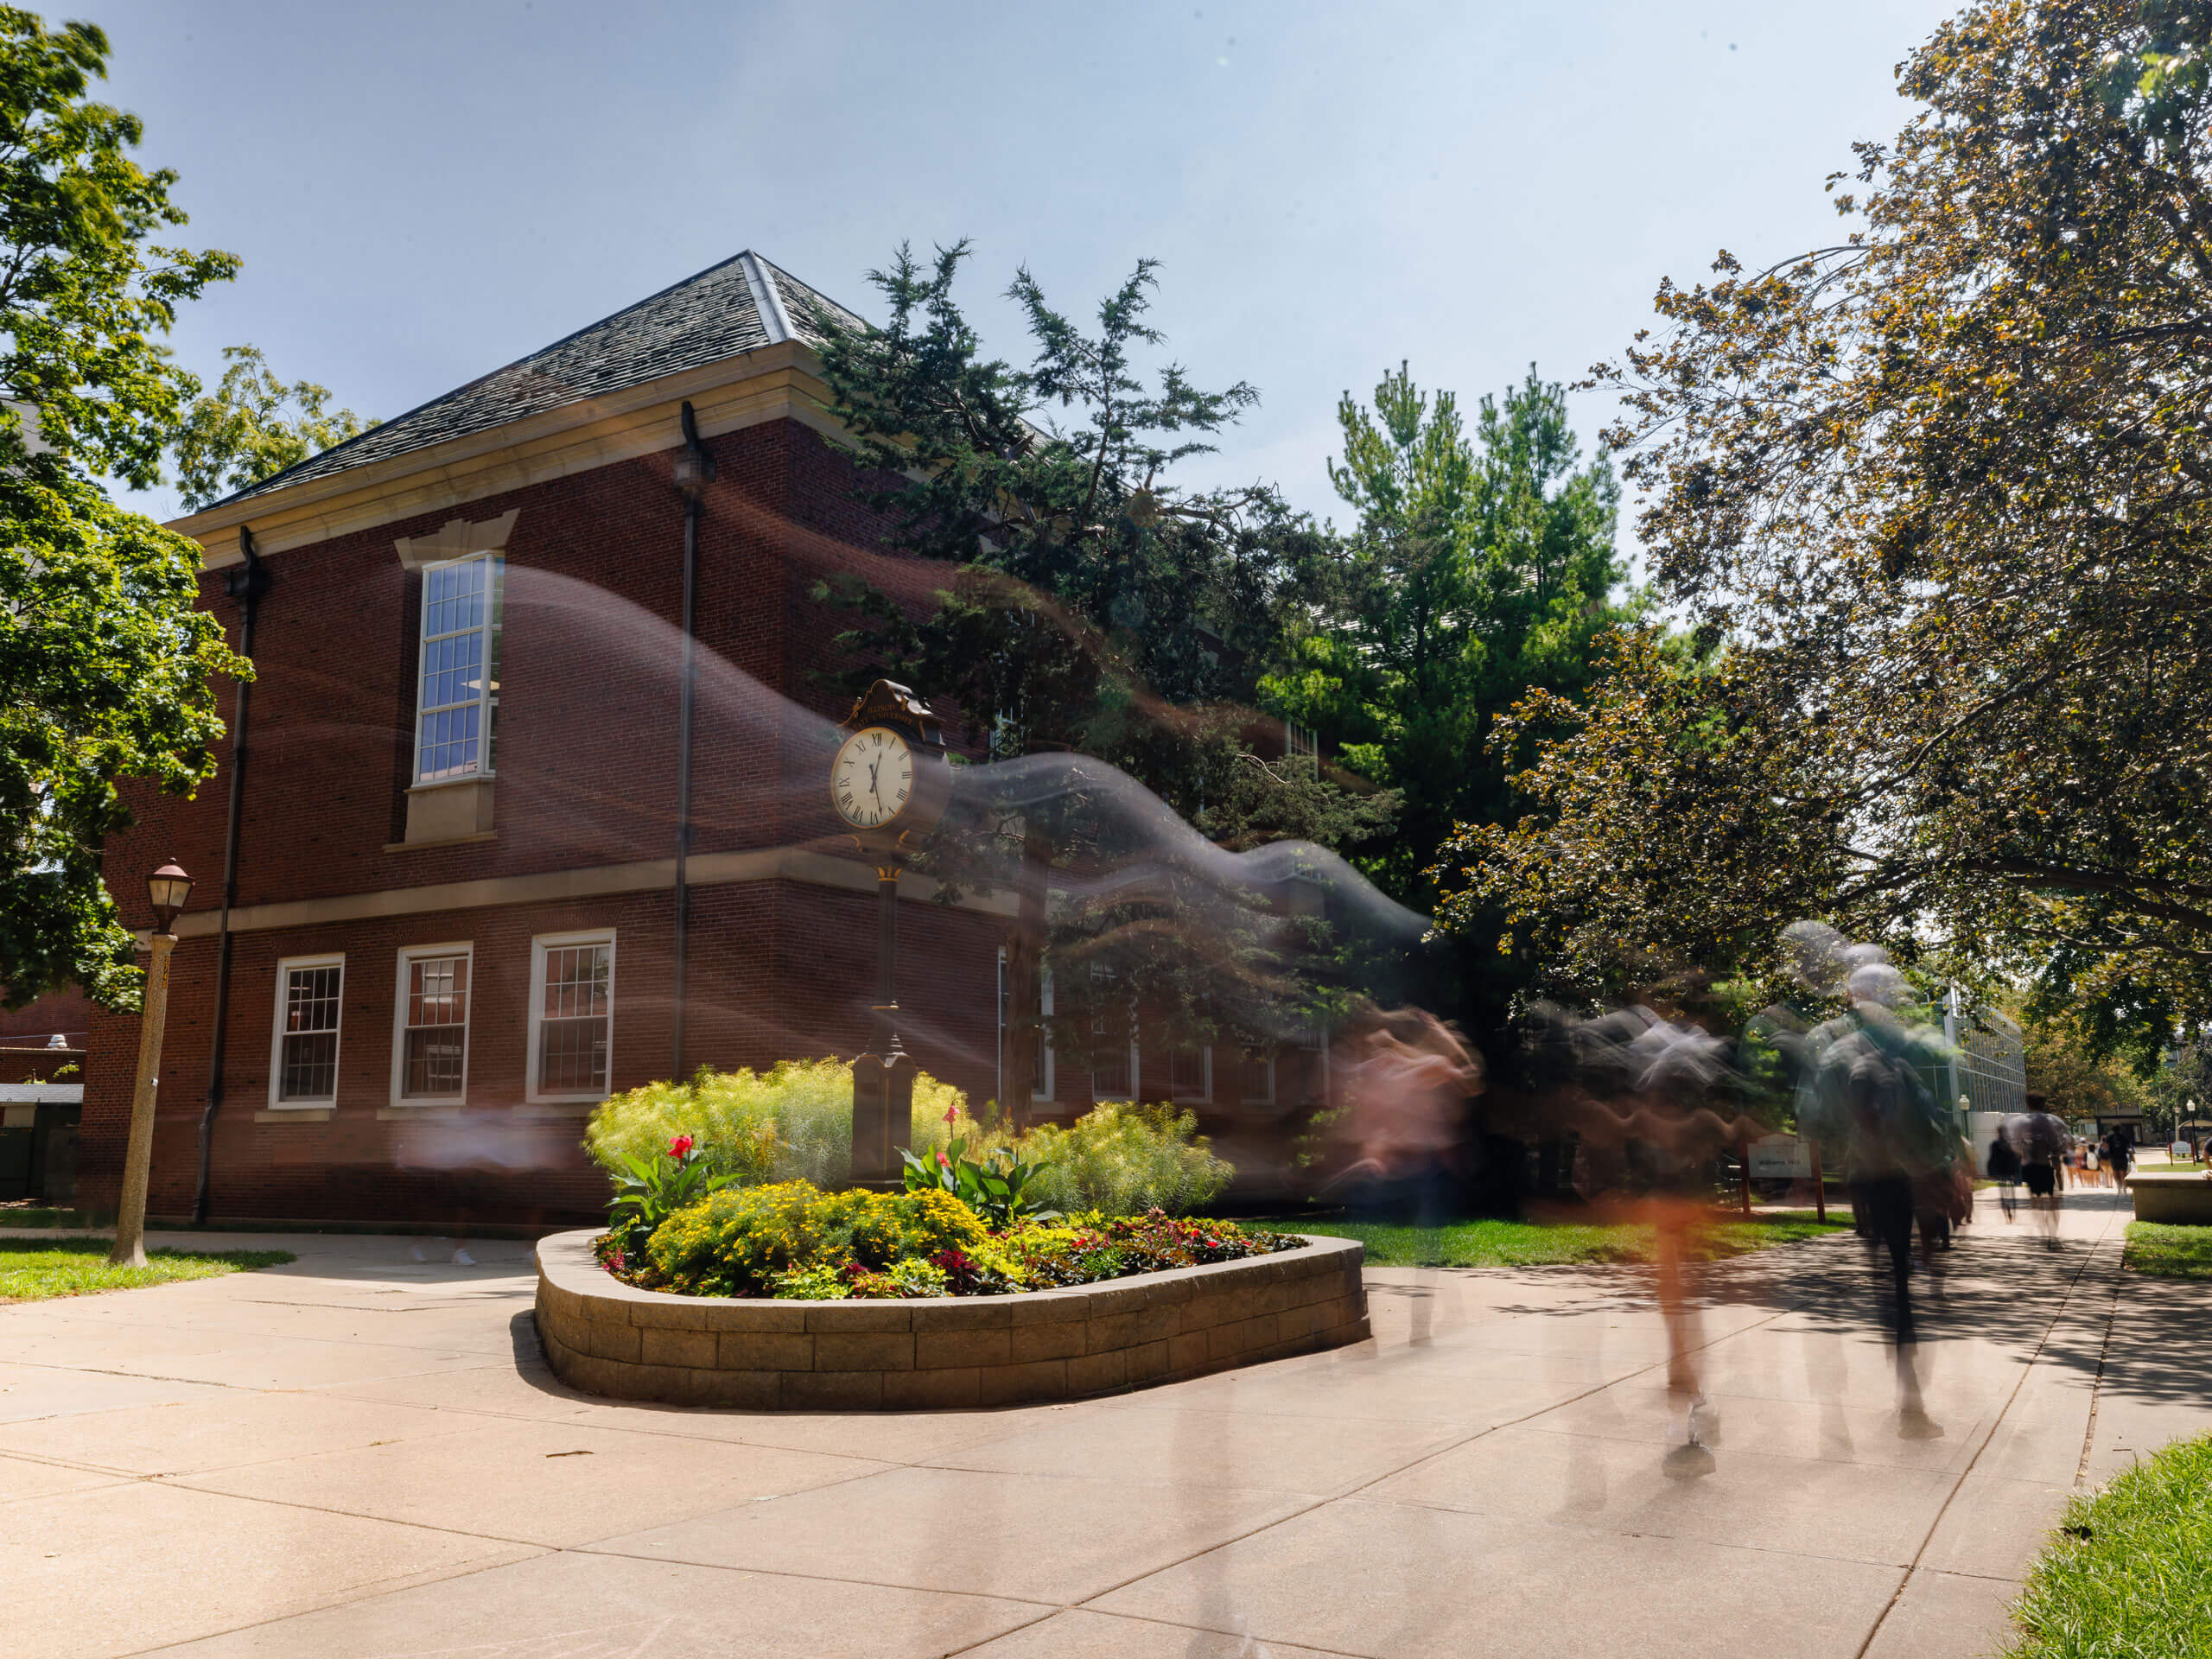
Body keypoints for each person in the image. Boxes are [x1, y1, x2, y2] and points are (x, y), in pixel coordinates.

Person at [1986, 1130, 2021, 1221]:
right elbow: (2015, 1157)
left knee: (2004, 1192)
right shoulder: (2009, 1143)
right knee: (2010, 1192)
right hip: (2008, 1171)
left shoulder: (1995, 1144)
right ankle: (2010, 1210)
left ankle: (2007, 1210)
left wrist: (1991, 1171)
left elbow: (1992, 1158)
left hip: (2001, 1171)